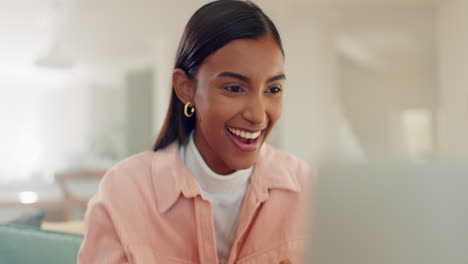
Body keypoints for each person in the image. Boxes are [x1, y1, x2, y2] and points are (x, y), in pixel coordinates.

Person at [78, 0, 313, 263]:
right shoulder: (124, 191)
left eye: (273, 89)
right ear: (185, 88)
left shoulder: (307, 189)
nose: (258, 116)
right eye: (234, 88)